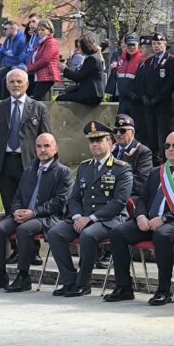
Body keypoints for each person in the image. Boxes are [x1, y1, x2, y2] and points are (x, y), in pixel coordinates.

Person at [105, 131, 174, 305]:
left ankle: (163, 290)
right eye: (167, 146)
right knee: (118, 232)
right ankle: (124, 287)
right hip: (150, 221)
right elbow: (143, 199)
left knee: (162, 234)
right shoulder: (155, 172)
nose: (171, 149)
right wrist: (141, 216)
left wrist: (164, 219)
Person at [46, 121, 134, 297]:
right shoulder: (85, 167)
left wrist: (91, 218)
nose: (95, 144)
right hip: (83, 217)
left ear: (111, 143)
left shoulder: (121, 169)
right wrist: (78, 215)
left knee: (88, 234)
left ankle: (83, 282)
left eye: (100, 140)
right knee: (55, 233)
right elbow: (74, 198)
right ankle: (69, 280)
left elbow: (118, 203)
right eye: (92, 141)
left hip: (110, 219)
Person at [0, 132, 73, 293]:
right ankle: (0, 274)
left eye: (46, 146)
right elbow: (17, 195)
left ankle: (23, 276)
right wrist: (17, 211)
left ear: (55, 148)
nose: (42, 150)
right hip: (23, 214)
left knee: (23, 230)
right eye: (38, 146)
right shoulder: (29, 170)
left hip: (46, 217)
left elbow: (59, 202)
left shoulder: (63, 172)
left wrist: (33, 213)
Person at [0, 68, 52, 216]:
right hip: (5, 165)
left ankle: (27, 239)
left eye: (19, 81)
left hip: (29, 165)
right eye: (12, 82)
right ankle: (12, 239)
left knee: (28, 208)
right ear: (7, 85)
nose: (16, 85)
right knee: (9, 209)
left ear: (27, 84)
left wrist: (47, 168)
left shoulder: (39, 108)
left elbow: (47, 140)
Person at [133, 33, 174, 163]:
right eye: (154, 44)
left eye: (159, 43)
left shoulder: (172, 61)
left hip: (165, 106)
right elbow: (142, 82)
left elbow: (170, 84)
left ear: (165, 45)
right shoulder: (148, 62)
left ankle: (167, 162)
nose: (156, 46)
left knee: (166, 137)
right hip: (149, 107)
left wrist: (156, 99)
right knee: (151, 137)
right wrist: (145, 97)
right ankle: (154, 162)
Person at [56, 34, 106, 105]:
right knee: (67, 90)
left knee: (60, 98)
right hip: (90, 91)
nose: (78, 49)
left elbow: (78, 77)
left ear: (85, 47)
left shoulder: (92, 59)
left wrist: (64, 69)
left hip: (92, 94)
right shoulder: (92, 57)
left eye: (80, 47)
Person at [111, 114, 154, 196]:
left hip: (129, 196)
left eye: (123, 131)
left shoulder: (143, 152)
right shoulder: (111, 150)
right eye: (116, 131)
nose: (119, 134)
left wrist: (112, 184)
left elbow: (141, 182)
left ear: (133, 132)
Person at [0, 21, 27, 100]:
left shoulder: (21, 40)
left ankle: (5, 105)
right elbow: (4, 51)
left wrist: (9, 53)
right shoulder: (8, 39)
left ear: (13, 29)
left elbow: (16, 54)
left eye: (6, 29)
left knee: (5, 83)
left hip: (17, 66)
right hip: (8, 66)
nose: (4, 31)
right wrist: (9, 53)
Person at [26, 20, 61, 100]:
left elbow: (45, 60)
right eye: (39, 30)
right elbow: (32, 58)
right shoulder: (41, 43)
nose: (40, 32)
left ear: (49, 30)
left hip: (47, 75)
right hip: (39, 75)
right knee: (33, 98)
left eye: (43, 30)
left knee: (36, 99)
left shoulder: (51, 42)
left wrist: (29, 68)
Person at [114, 34, 145, 116]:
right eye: (129, 45)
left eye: (133, 45)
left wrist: (136, 96)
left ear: (138, 44)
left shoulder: (142, 59)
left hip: (135, 101)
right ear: (125, 45)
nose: (131, 47)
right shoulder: (121, 59)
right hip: (122, 100)